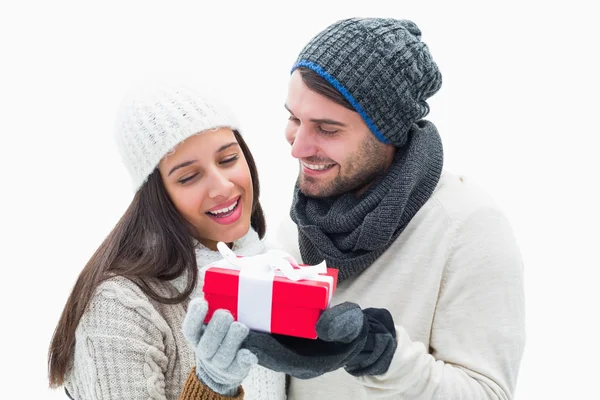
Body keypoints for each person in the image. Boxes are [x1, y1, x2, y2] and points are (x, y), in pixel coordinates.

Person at [243, 17, 526, 399]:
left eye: (327, 129)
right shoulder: (302, 222)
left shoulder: (467, 228)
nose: (297, 147)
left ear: (387, 132)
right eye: (294, 119)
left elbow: (488, 393)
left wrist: (383, 355)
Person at [47, 82, 288, 399]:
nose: (222, 186)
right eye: (188, 177)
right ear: (157, 196)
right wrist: (211, 387)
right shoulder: (119, 305)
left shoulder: (274, 265)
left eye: (228, 159)